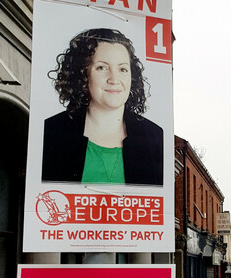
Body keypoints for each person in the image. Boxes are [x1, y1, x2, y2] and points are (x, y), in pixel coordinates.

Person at [42, 28, 163, 185]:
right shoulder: (50, 132)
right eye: (102, 67)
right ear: (82, 74)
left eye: (123, 69)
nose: (114, 79)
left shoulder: (156, 138)